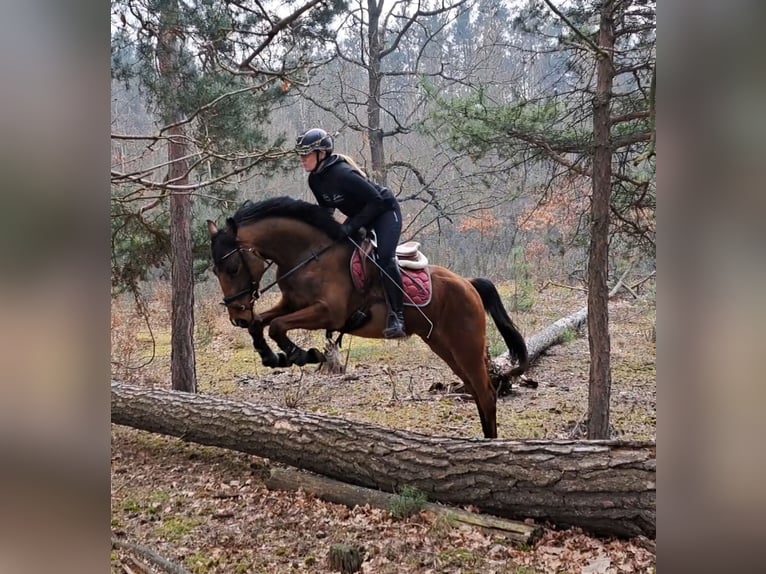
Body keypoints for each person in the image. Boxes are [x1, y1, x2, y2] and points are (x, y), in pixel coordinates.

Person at [295, 127, 406, 339]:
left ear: (321, 153)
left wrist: (350, 227)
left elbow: (377, 201)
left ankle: (398, 317)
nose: (302, 159)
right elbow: (327, 211)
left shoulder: (343, 174)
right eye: (300, 154)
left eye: (306, 154)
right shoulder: (314, 180)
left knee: (384, 259)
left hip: (384, 211)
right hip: (361, 214)